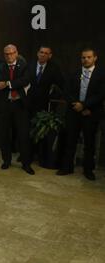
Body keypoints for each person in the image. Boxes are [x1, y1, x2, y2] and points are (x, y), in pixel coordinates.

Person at [57, 48, 105, 180]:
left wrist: (84, 105)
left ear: (95, 58)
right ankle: (67, 167)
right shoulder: (74, 73)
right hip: (74, 112)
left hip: (91, 113)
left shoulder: (101, 74)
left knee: (89, 144)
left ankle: (88, 170)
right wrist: (76, 104)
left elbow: (100, 94)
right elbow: (66, 91)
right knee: (70, 141)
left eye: (89, 57)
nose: (86, 60)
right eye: (83, 57)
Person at [0, 44, 35, 175]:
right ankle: (6, 161)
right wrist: (9, 84)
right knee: (4, 135)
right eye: (7, 54)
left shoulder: (24, 66)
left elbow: (25, 80)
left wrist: (7, 84)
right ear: (4, 55)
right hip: (5, 105)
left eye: (12, 53)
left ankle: (26, 164)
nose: (9, 56)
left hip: (20, 105)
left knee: (23, 135)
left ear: (16, 53)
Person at [27, 46, 64, 165]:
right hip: (28, 104)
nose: (43, 55)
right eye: (41, 52)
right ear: (38, 53)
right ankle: (27, 154)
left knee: (40, 132)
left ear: (50, 56)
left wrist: (54, 97)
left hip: (44, 106)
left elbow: (61, 85)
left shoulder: (54, 68)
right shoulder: (30, 65)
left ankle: (40, 155)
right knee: (27, 130)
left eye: (46, 53)